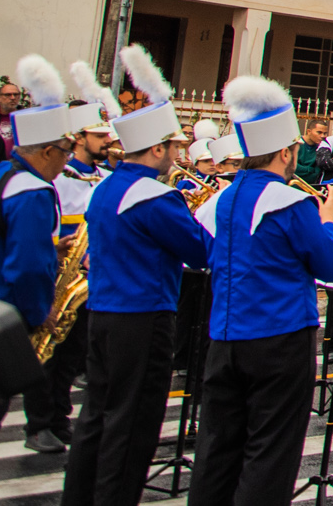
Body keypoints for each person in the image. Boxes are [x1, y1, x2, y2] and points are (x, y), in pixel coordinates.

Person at [189, 74, 333, 506]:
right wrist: (330, 222)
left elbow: (204, 254)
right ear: (284, 151)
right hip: (279, 338)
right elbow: (330, 266)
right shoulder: (290, 202)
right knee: (270, 453)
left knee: (218, 449)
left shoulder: (219, 199)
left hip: (224, 338)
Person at [65, 47, 207, 506]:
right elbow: (200, 252)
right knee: (133, 427)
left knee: (96, 419)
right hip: (144, 316)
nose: (176, 157)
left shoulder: (106, 186)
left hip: (104, 312)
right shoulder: (155, 197)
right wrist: (201, 213)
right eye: (173, 149)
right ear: (158, 148)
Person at [0, 58, 75, 463]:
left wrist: (48, 250)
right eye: (64, 151)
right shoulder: (34, 192)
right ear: (45, 151)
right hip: (1, 319)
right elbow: (24, 268)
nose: (66, 161)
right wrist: (42, 313)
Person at [35, 88, 111, 452]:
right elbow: (47, 227)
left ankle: (59, 417)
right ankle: (39, 423)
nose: (106, 142)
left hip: (91, 275)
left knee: (74, 352)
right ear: (78, 138)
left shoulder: (103, 176)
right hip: (63, 271)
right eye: (98, 136)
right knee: (51, 350)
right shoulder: (60, 177)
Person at [0, 79, 22, 165]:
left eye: (16, 94)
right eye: (8, 95)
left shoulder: (26, 118)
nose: (12, 98)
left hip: (23, 168)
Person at [295, 120, 332, 186]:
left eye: (325, 133)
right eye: (319, 132)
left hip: (311, 186)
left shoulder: (322, 147)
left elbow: (317, 172)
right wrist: (310, 170)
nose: (322, 136)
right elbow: (293, 167)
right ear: (309, 131)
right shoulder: (296, 144)